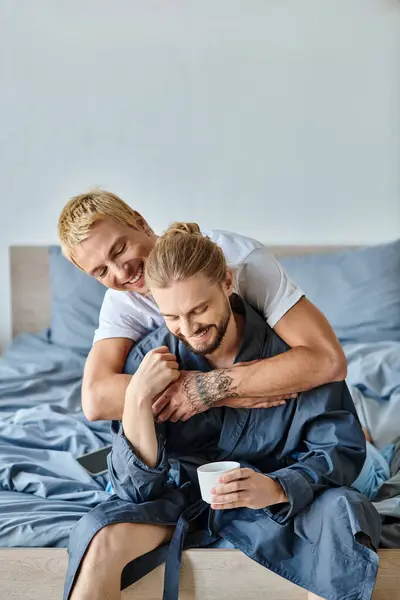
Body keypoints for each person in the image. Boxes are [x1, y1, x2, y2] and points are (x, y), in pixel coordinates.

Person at [63, 224, 380, 600]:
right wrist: (136, 399)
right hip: (187, 501)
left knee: (343, 512)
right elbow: (134, 491)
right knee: (99, 534)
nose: (189, 329)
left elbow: (337, 449)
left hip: (276, 502)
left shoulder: (292, 357)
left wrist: (278, 487)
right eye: (173, 317)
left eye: (199, 309)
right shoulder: (149, 359)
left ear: (227, 283)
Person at [57, 189, 347, 423]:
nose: (121, 273)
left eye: (119, 250)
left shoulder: (240, 259)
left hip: (291, 405)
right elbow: (95, 399)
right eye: (101, 272)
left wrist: (209, 389)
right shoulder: (121, 302)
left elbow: (327, 360)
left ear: (140, 223)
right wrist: (211, 392)